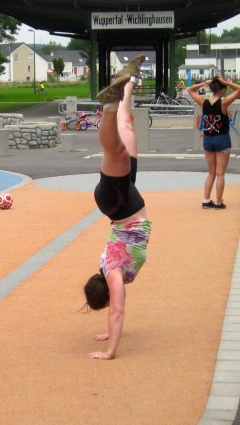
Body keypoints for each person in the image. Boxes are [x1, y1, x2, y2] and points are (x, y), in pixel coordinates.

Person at [83, 54, 151, 360]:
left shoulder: (113, 273)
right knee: (128, 129)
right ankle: (129, 82)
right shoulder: (114, 274)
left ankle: (108, 106)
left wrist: (110, 350)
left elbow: (118, 312)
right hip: (124, 200)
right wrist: (109, 332)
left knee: (117, 151)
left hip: (118, 204)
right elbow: (115, 313)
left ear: (107, 295)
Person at [188, 75, 240, 209]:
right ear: (222, 90)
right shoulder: (223, 103)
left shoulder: (203, 102)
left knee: (211, 173)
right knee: (220, 173)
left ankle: (206, 200)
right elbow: (239, 89)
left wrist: (204, 83)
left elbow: (190, 90)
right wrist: (225, 82)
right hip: (222, 139)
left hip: (208, 140)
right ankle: (218, 202)